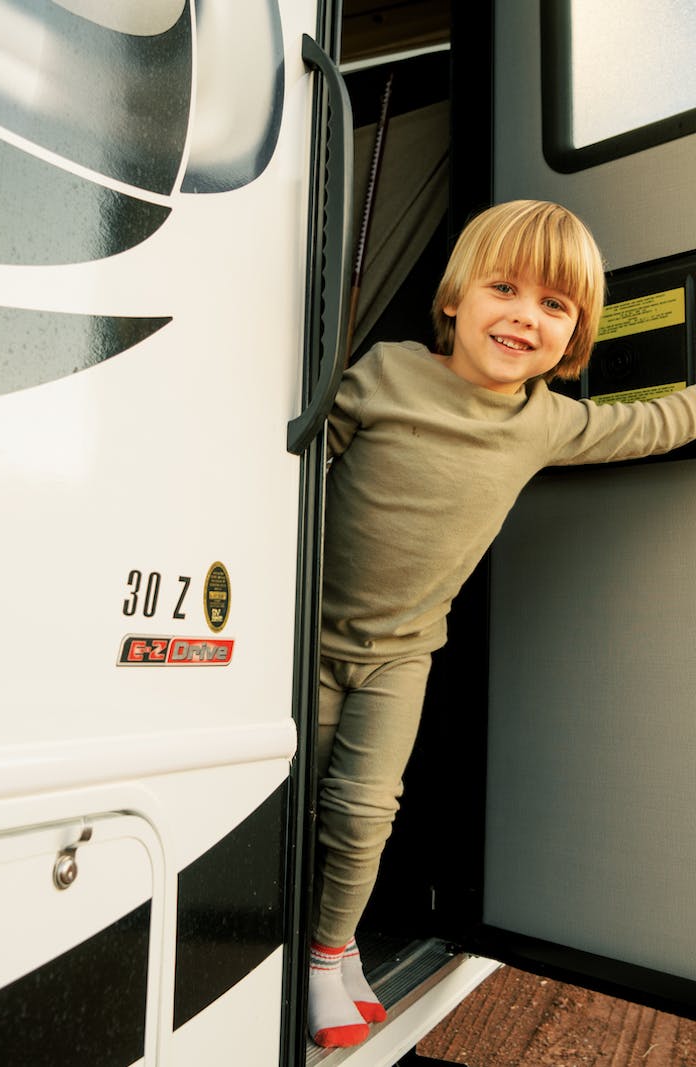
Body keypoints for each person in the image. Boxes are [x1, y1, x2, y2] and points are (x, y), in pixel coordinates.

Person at [308, 199, 696, 1048]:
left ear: (574, 338)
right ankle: (295, 944)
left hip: (400, 657)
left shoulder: (544, 420)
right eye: (505, 287)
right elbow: (299, 474)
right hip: (306, 641)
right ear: (455, 300)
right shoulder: (385, 372)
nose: (526, 314)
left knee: (366, 810)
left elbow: (651, 424)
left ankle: (327, 953)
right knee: (297, 800)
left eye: (555, 306)